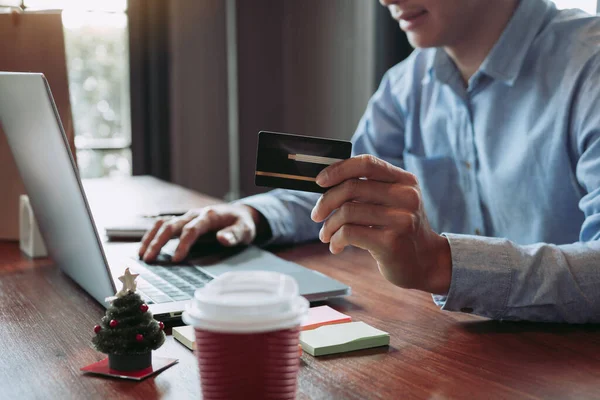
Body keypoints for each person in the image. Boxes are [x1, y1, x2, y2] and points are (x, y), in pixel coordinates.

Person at [139, 0, 600, 323]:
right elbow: (347, 191)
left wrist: (442, 263)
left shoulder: (589, 67)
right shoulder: (406, 85)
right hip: (464, 358)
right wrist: (251, 214)